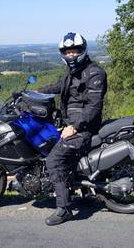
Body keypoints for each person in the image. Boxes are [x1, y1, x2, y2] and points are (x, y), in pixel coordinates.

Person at [38, 32, 107, 226]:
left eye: (75, 50)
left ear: (83, 50)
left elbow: (94, 106)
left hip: (84, 128)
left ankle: (64, 209)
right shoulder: (73, 73)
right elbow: (59, 86)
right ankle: (80, 192)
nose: (71, 55)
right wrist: (33, 92)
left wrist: (74, 127)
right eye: (67, 52)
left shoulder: (95, 73)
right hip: (72, 124)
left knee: (54, 160)